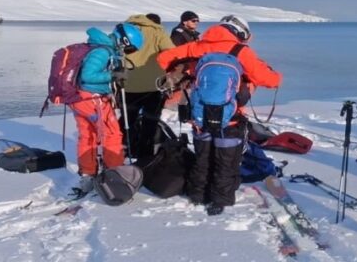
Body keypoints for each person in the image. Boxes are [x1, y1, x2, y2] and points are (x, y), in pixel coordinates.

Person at [157, 15, 281, 216]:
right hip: (230, 115)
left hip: (200, 113)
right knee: (227, 160)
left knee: (202, 156)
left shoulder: (197, 46)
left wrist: (190, 72)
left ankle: (197, 195)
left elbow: (163, 59)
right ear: (240, 33)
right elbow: (270, 79)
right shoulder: (242, 51)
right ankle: (220, 200)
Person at [71, 22, 144, 194]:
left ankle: (88, 175)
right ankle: (115, 173)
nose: (128, 53)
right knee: (111, 134)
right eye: (129, 49)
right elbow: (88, 75)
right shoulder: (102, 51)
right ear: (123, 41)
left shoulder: (101, 47)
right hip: (93, 99)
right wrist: (113, 75)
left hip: (81, 99)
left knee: (88, 136)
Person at [120, 13, 176, 160]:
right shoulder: (158, 32)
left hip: (128, 84)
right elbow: (172, 52)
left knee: (127, 119)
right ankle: (145, 154)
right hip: (154, 85)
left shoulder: (125, 29)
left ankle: (123, 148)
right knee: (149, 121)